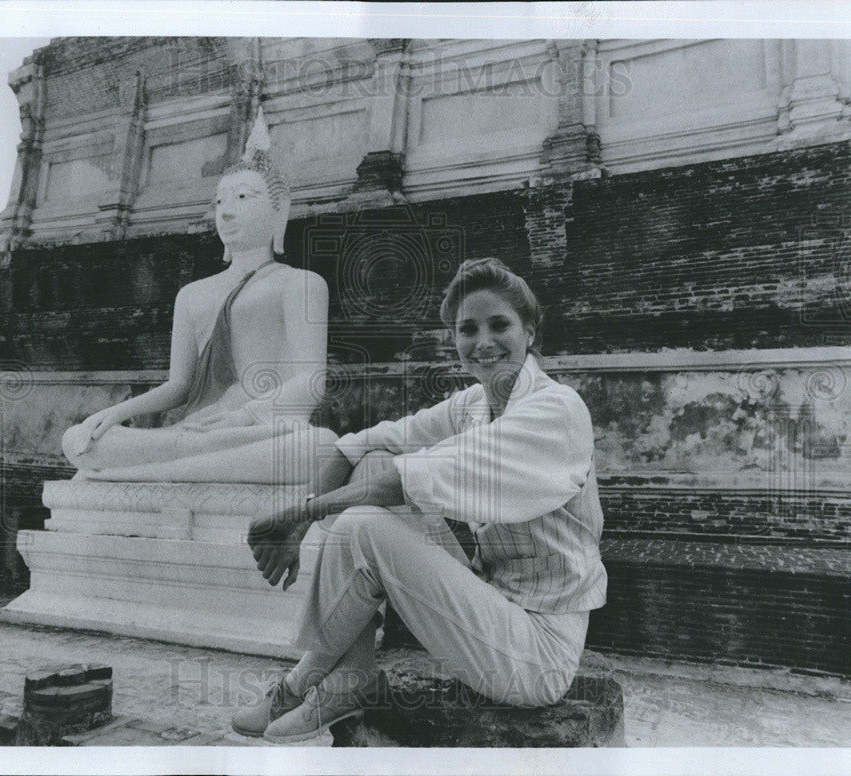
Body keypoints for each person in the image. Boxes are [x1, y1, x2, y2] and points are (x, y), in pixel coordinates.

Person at [236, 257, 608, 743]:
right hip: (491, 604)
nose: (483, 342)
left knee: (362, 522)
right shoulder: (474, 405)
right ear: (454, 340)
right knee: (370, 464)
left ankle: (310, 680)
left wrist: (299, 514)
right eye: (467, 329)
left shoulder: (556, 410)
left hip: (537, 655)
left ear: (530, 333)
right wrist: (306, 515)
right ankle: (345, 677)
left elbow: (410, 479)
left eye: (500, 325)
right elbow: (363, 443)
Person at [61, 108, 334, 483]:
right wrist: (115, 414)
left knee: (317, 448)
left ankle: (141, 475)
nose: (227, 211)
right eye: (220, 201)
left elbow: (312, 381)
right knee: (78, 438)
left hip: (257, 430)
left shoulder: (300, 283)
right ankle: (168, 466)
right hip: (196, 432)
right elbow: (180, 386)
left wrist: (243, 415)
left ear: (278, 211)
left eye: (242, 196)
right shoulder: (193, 294)